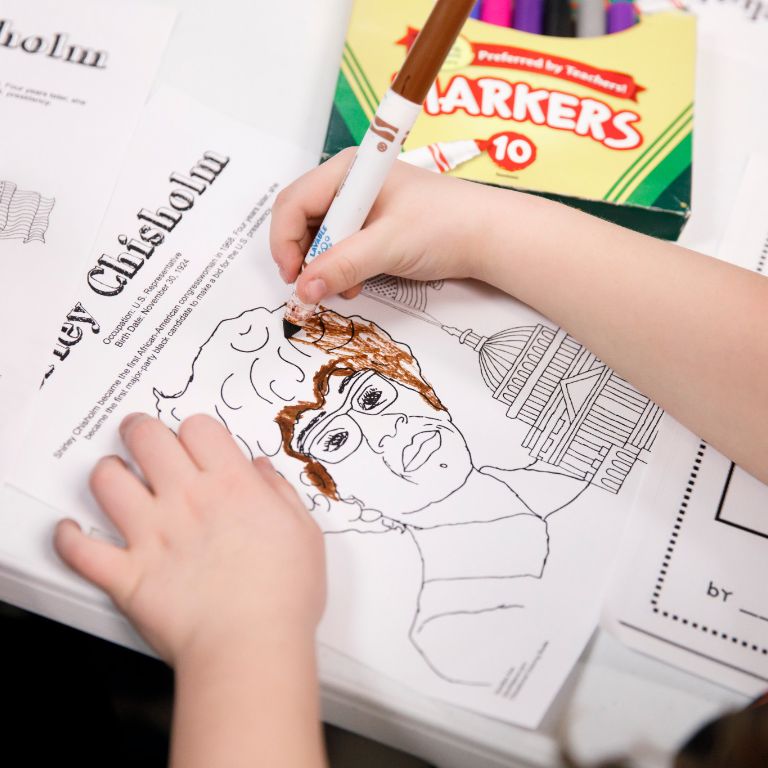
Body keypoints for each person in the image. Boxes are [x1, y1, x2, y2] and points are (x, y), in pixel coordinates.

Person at [53, 150, 768, 766]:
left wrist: (238, 641)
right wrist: (485, 226)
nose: (387, 433)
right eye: (333, 441)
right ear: (322, 491)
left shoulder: (558, 514)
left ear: (412, 379)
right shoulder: (458, 627)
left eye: (367, 397)